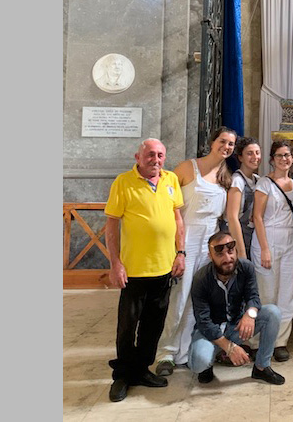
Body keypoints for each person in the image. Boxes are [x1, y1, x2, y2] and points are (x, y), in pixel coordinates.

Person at [103, 138, 186, 403]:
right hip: (134, 271)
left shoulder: (171, 180)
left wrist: (180, 253)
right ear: (138, 156)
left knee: (153, 326)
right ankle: (123, 376)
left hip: (164, 269)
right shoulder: (123, 182)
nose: (156, 160)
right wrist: (115, 263)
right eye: (151, 154)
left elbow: (177, 220)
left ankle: (142, 370)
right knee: (128, 327)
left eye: (161, 155)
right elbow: (111, 226)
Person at [155, 127, 238, 376]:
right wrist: (175, 246)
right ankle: (166, 353)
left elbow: (225, 218)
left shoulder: (226, 177)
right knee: (179, 298)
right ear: (212, 142)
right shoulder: (187, 168)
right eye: (223, 141)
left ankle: (188, 349)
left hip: (210, 245)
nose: (227, 146)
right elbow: (166, 203)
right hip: (186, 240)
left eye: (231, 144)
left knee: (199, 299)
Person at [188, 230, 286, 386]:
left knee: (272, 313)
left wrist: (250, 314)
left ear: (236, 251)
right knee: (199, 363)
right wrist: (230, 347)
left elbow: (253, 297)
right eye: (220, 254)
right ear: (210, 256)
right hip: (211, 330)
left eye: (230, 251)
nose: (228, 258)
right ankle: (208, 364)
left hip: (236, 326)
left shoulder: (245, 268)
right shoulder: (201, 279)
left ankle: (261, 367)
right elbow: (203, 321)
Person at [250, 140, 293, 363]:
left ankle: (280, 341)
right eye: (280, 155)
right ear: (272, 159)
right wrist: (264, 249)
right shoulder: (264, 183)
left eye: (287, 155)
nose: (284, 159)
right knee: (266, 292)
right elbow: (257, 217)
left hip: (290, 239)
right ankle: (258, 340)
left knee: (288, 293)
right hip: (268, 237)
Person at [225, 137, 261, 259]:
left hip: (251, 237)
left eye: (257, 153)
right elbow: (232, 217)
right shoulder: (237, 181)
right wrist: (241, 251)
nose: (255, 157)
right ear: (240, 157)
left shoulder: (258, 180)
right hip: (237, 237)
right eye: (249, 153)